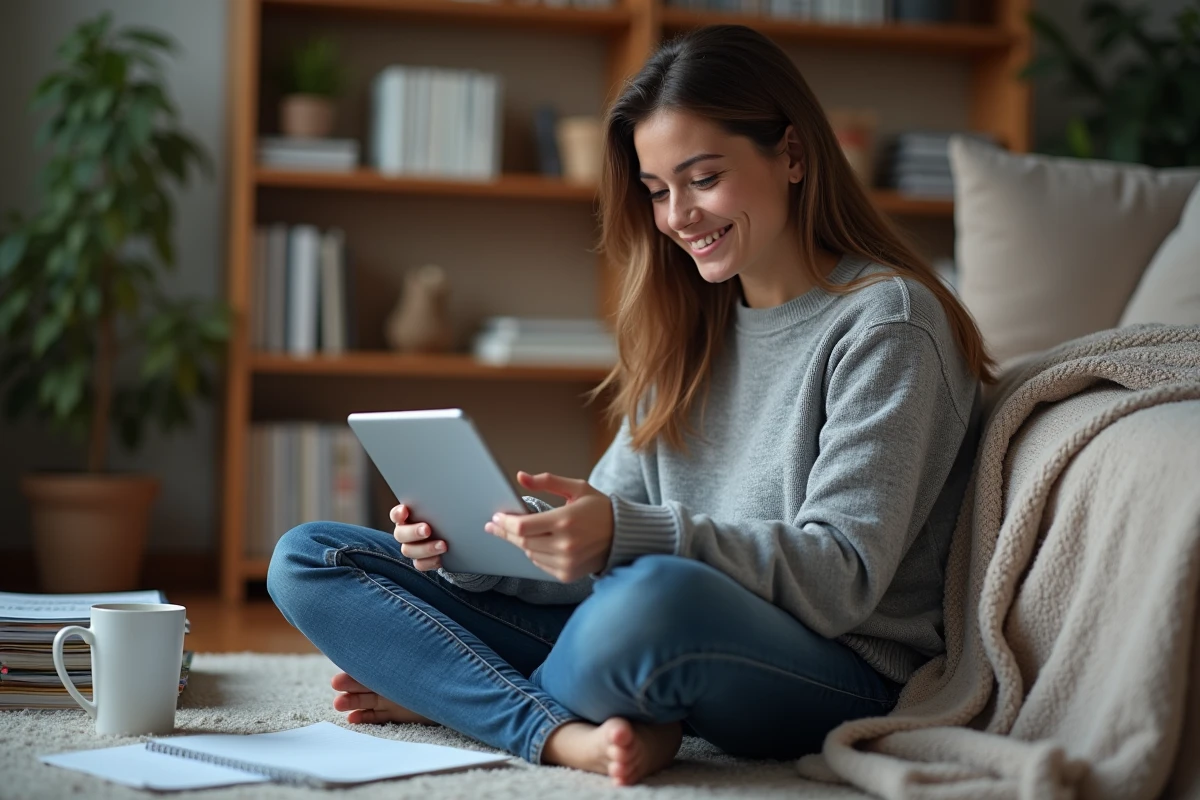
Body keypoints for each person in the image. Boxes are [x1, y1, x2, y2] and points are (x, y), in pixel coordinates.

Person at [267, 23, 991, 788]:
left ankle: (463, 697)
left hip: (831, 669)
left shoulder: (889, 322)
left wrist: (623, 536)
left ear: (793, 154)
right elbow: (599, 558)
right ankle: (562, 730)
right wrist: (486, 555)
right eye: (656, 191)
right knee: (310, 556)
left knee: (648, 603)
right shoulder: (691, 329)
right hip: (648, 628)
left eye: (703, 178)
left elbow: (840, 578)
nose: (678, 216)